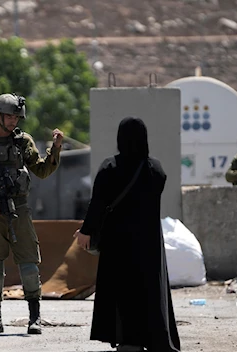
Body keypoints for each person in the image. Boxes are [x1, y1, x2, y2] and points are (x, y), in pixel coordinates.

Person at [73, 116, 181, 352]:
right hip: (149, 242)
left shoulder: (110, 167)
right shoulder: (156, 169)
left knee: (121, 290)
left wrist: (86, 231)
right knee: (148, 289)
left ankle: (127, 339)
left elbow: (98, 203)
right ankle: (151, 337)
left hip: (118, 241)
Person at [0, 93, 64, 335]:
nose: (14, 122)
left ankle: (35, 318)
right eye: (10, 117)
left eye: (17, 118)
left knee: (29, 265)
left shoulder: (22, 141)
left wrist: (56, 149)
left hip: (19, 209)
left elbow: (41, 170)